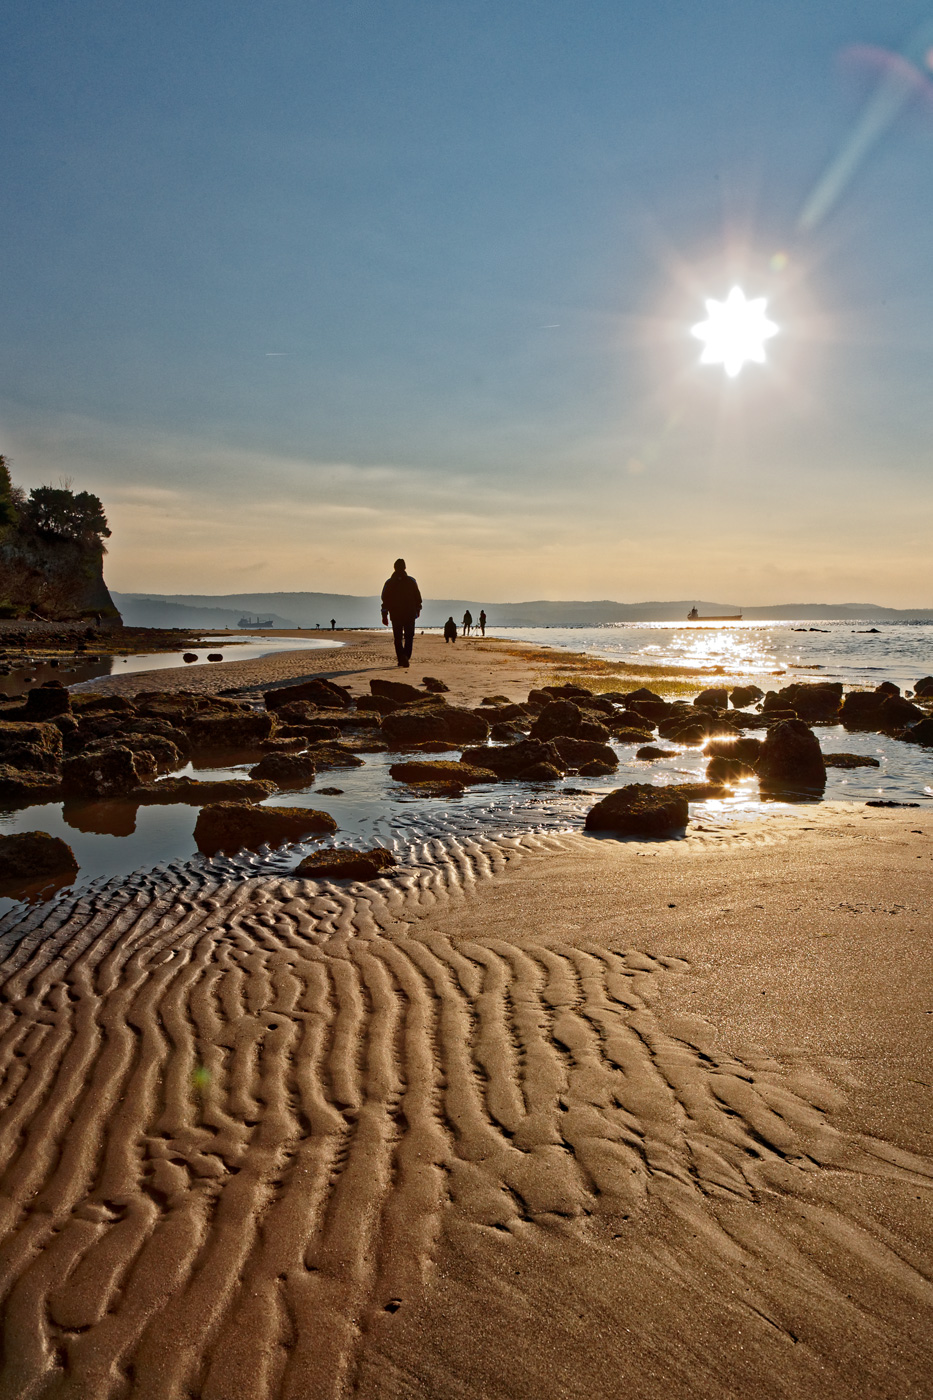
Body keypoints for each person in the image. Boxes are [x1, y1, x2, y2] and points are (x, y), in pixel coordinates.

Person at [381, 558, 422, 667]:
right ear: (405, 568)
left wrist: (384, 615)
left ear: (394, 568)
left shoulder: (389, 582)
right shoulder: (411, 581)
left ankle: (401, 658)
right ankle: (405, 657)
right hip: (409, 613)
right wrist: (418, 609)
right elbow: (418, 597)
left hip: (396, 614)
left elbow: (385, 600)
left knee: (398, 638)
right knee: (409, 637)